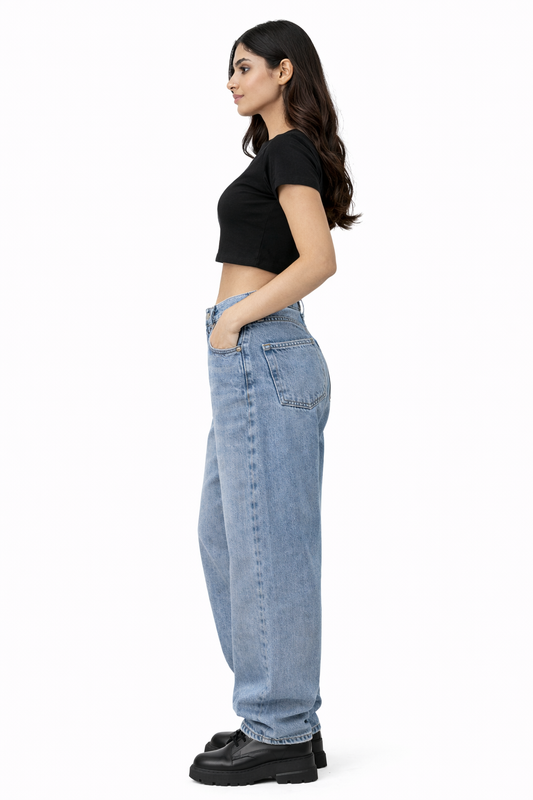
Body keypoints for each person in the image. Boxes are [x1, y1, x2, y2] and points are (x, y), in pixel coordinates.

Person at [189, 19, 361, 786]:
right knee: (227, 538)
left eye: (243, 67)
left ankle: (279, 727)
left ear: (283, 71)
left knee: (266, 546)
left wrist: (234, 320)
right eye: (229, 69)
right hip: (254, 355)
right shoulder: (276, 154)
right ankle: (281, 713)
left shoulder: (288, 150)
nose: (231, 81)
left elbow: (318, 259)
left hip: (260, 347)